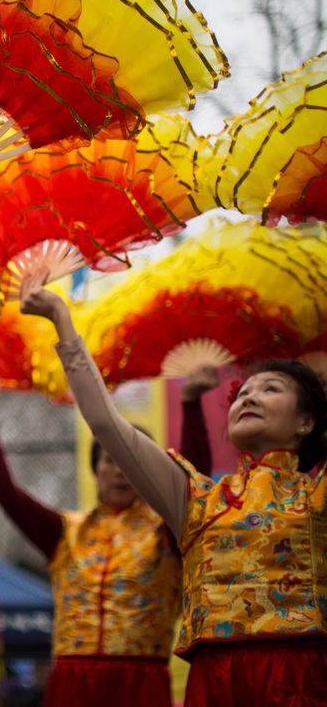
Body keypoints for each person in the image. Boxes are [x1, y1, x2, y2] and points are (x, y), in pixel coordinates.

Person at [19, 269, 327, 706]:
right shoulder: (197, 497)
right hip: (212, 679)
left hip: (298, 672)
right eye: (241, 394)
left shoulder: (317, 492)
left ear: (306, 421)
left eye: (270, 389)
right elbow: (107, 424)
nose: (249, 398)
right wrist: (62, 322)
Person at [0, 365, 215, 706]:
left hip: (141, 679)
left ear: (150, 473)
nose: (121, 469)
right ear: (96, 469)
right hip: (71, 680)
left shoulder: (165, 529)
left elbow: (190, 485)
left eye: (133, 461)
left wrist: (190, 402)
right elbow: (7, 495)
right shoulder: (65, 531)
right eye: (110, 459)